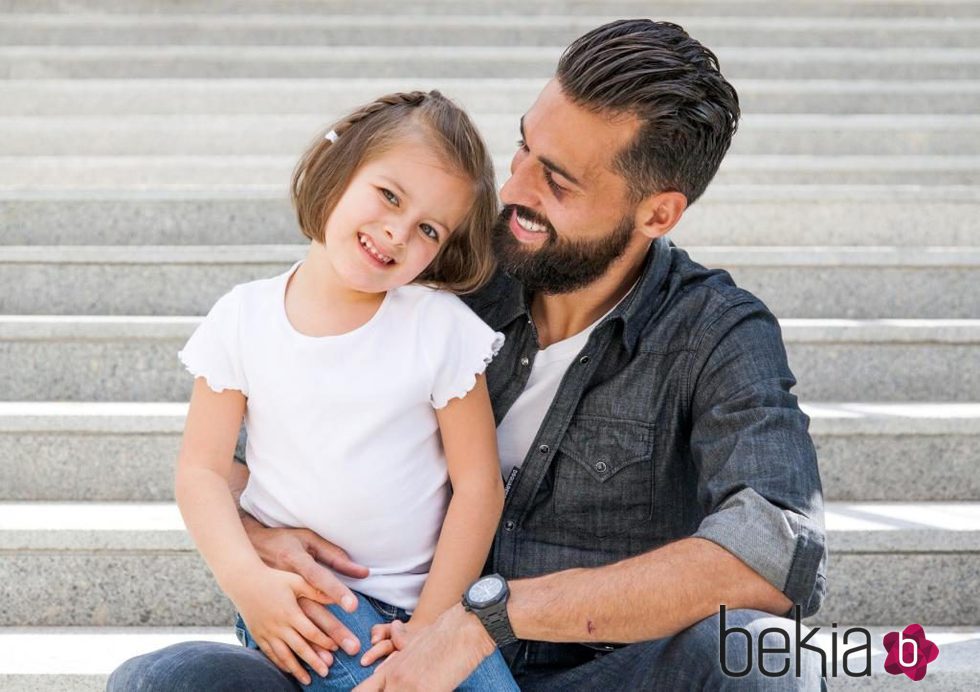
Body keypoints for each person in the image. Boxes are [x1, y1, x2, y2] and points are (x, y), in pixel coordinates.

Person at [109, 19, 826, 691]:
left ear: (657, 213)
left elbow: (772, 552)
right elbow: (236, 451)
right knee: (165, 679)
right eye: (523, 148)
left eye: (558, 180)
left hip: (591, 672)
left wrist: (491, 617)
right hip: (378, 645)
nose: (513, 189)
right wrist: (262, 540)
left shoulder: (717, 333)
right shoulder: (453, 263)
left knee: (763, 656)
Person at [154, 90, 520, 691]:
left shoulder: (440, 326)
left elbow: (479, 488)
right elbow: (201, 472)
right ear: (339, 166)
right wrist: (250, 585)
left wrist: (430, 627)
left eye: (427, 229)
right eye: (388, 196)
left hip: (427, 609)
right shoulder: (242, 318)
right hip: (309, 597)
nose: (396, 233)